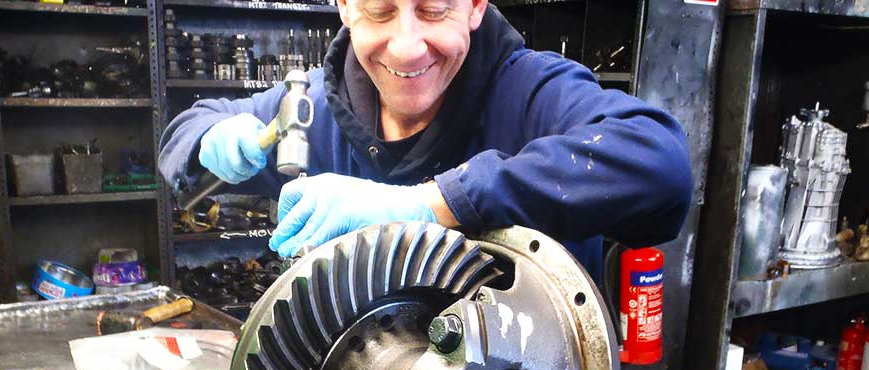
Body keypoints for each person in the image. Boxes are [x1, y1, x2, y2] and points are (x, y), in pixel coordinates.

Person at [159, 0, 692, 281]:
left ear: (476, 6)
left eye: (434, 10)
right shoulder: (315, 111)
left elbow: (659, 163)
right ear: (345, 6)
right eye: (380, 10)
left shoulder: (531, 92)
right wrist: (208, 137)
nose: (407, 46)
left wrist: (432, 204)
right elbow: (189, 127)